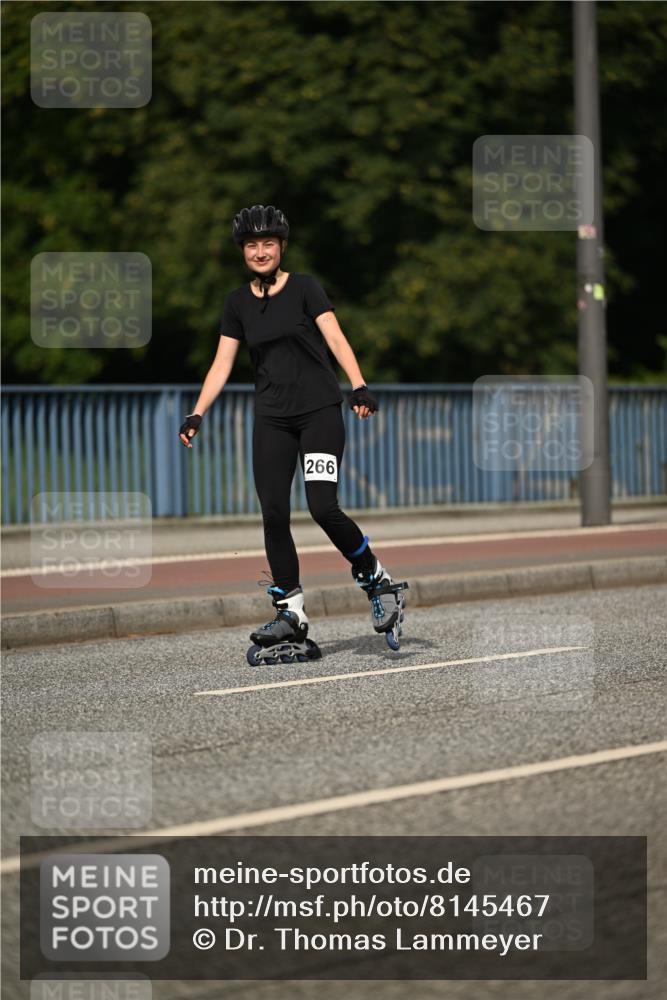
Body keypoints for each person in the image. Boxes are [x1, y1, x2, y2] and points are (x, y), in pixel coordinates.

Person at [179, 204, 403, 654]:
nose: (260, 252)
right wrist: (197, 412)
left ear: (281, 247)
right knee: (274, 513)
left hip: (319, 411)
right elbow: (222, 363)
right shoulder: (237, 302)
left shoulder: (304, 288)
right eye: (251, 246)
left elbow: (336, 337)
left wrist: (358, 386)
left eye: (267, 244)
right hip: (272, 419)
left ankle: (375, 577)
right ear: (242, 251)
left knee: (322, 506)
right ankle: (291, 611)